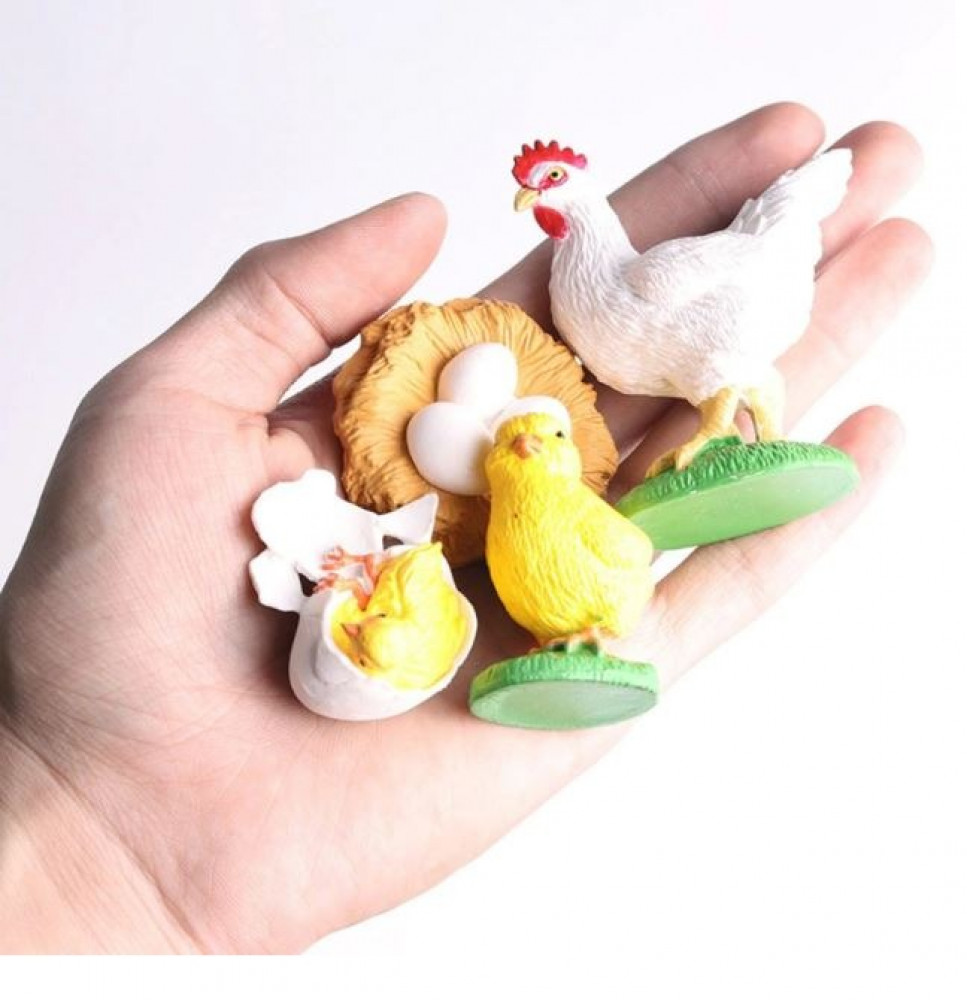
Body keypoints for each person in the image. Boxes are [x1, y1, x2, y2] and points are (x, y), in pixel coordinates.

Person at [0, 104, 931, 953]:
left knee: (701, 412)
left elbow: (630, 497)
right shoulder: (477, 470)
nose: (532, 198)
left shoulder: (614, 336)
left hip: (726, 322)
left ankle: (731, 438)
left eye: (549, 186)